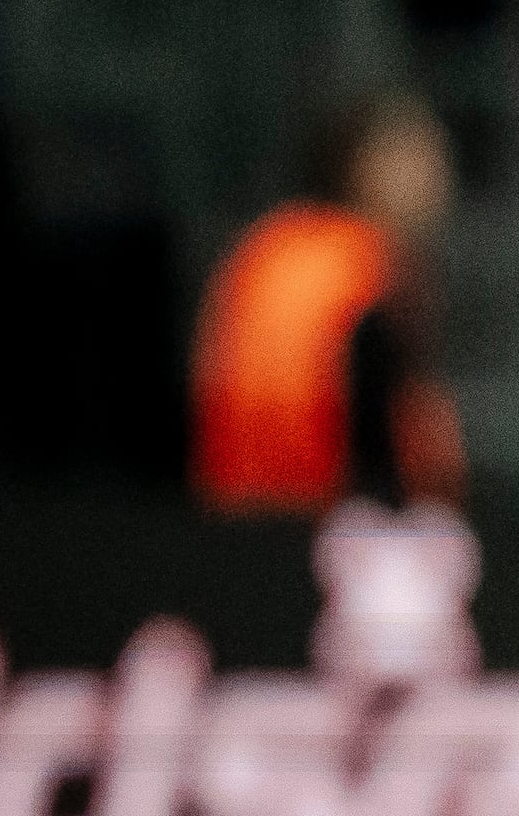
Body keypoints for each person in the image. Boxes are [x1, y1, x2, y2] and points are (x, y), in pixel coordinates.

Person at [192, 95, 466, 516]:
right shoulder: (372, 265)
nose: (438, 178)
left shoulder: (262, 245)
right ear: (365, 165)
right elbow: (419, 446)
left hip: (234, 521)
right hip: (334, 526)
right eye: (419, 156)